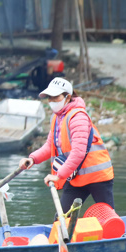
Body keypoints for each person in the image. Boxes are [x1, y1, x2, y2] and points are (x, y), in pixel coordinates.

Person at [18, 76, 115, 211]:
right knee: (61, 218)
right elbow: (49, 146)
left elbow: (78, 152)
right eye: (49, 97)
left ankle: (115, 232)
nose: (51, 101)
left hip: (97, 176)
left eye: (55, 97)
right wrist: (32, 159)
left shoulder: (78, 117)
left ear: (68, 97)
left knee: (108, 217)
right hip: (76, 176)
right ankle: (67, 232)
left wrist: (58, 176)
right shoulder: (57, 117)